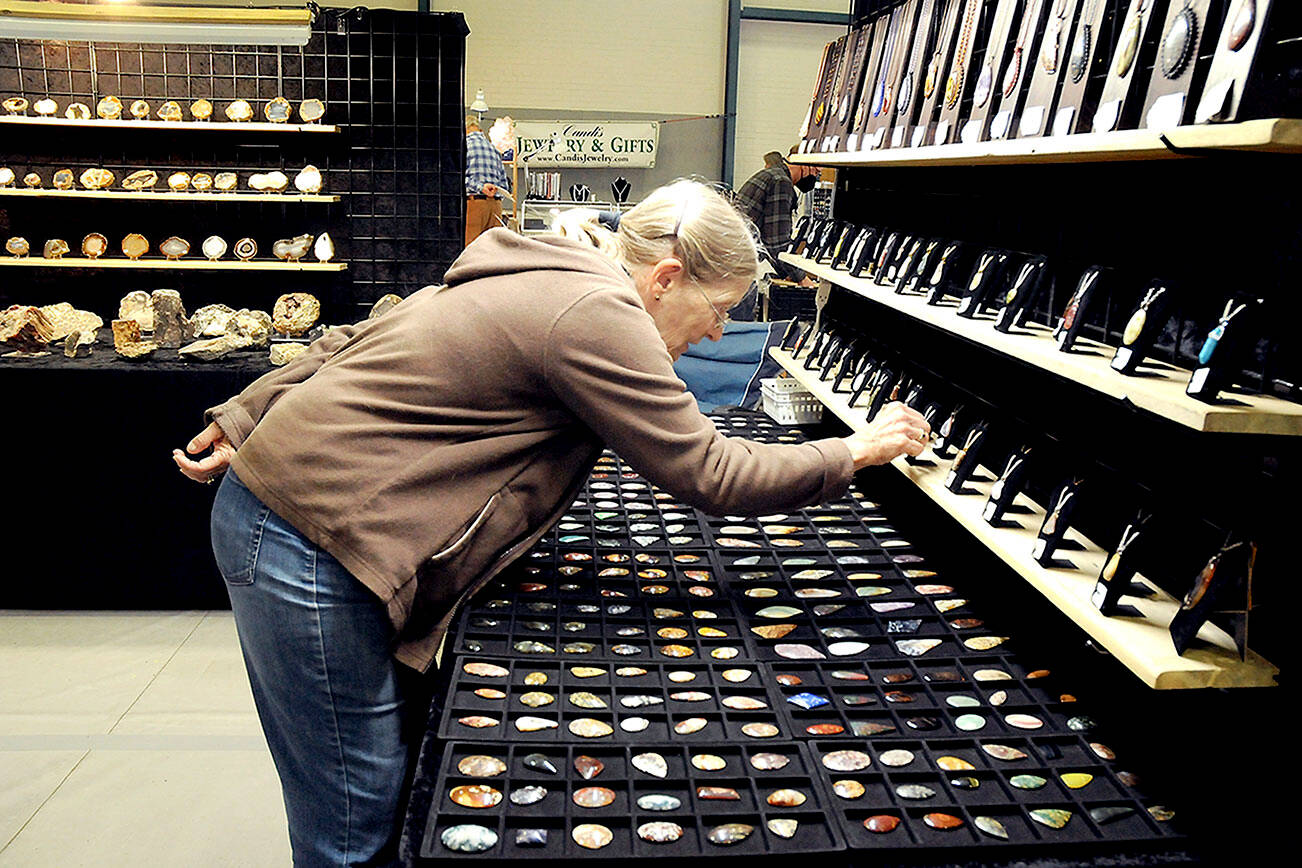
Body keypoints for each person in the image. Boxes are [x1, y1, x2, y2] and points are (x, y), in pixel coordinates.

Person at [173, 179, 929, 867]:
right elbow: (714, 473)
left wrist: (253, 407)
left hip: (300, 520)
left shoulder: (551, 265)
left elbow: (379, 330)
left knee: (382, 767)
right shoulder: (596, 313)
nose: (712, 335)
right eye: (720, 310)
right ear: (667, 279)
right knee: (352, 815)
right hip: (306, 540)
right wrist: (854, 450)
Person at [733, 150, 819, 285]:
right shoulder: (781, 182)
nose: (816, 176)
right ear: (804, 165)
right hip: (736, 264)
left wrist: (787, 273)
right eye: (816, 171)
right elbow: (776, 242)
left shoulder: (772, 175)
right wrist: (801, 278)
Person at [464, 114, 511, 247]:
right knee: (493, 250)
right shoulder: (494, 150)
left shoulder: (464, 146)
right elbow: (504, 184)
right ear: (480, 130)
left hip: (474, 205)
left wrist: (480, 187)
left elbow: (457, 178)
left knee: (471, 251)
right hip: (496, 207)